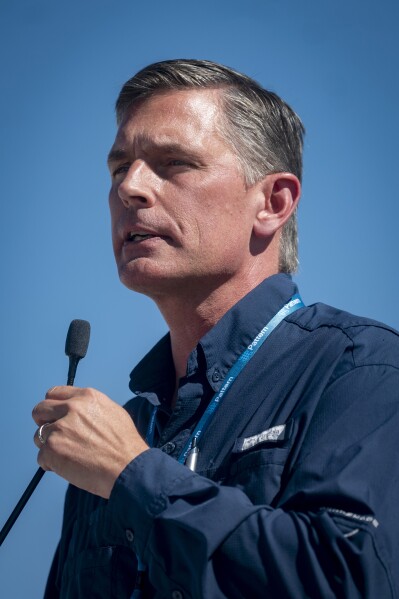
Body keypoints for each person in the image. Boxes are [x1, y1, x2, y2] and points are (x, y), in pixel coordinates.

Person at [33, 59, 399, 598]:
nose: (130, 187)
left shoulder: (361, 370)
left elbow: (345, 581)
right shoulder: (119, 432)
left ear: (273, 203)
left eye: (173, 162)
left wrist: (135, 476)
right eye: (118, 169)